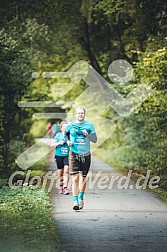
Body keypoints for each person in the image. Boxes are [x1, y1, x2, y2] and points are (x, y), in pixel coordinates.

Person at [66, 107, 97, 210]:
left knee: (83, 178)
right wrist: (67, 141)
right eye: (79, 113)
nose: (80, 115)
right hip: (73, 153)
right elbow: (65, 134)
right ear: (76, 114)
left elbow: (95, 140)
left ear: (84, 114)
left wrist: (87, 134)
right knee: (75, 178)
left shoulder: (89, 125)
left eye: (82, 113)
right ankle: (75, 202)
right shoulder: (71, 125)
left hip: (86, 155)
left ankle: (81, 198)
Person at [52, 121, 70, 195]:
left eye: (66, 127)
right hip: (59, 155)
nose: (65, 128)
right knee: (60, 172)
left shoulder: (70, 135)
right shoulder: (58, 135)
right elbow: (52, 144)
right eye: (64, 127)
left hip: (67, 155)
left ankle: (65, 187)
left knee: (66, 170)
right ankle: (61, 186)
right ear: (61, 128)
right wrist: (59, 143)